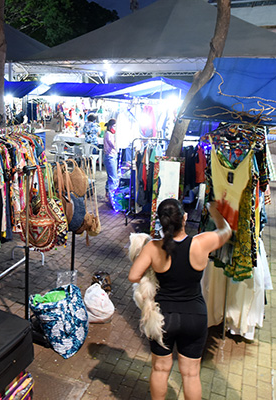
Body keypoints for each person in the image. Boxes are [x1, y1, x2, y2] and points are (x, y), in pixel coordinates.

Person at [129, 199, 231, 400]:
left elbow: (133, 276)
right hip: (195, 316)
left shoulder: (153, 247)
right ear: (184, 218)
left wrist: (151, 269)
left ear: (162, 222)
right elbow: (226, 231)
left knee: (160, 369)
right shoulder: (201, 243)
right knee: (191, 374)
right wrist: (215, 212)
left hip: (163, 317)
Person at [103, 118, 118, 198]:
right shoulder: (108, 134)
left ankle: (108, 193)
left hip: (112, 156)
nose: (115, 128)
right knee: (113, 177)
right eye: (114, 126)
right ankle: (112, 197)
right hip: (110, 157)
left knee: (111, 176)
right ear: (110, 126)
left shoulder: (110, 134)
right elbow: (114, 146)